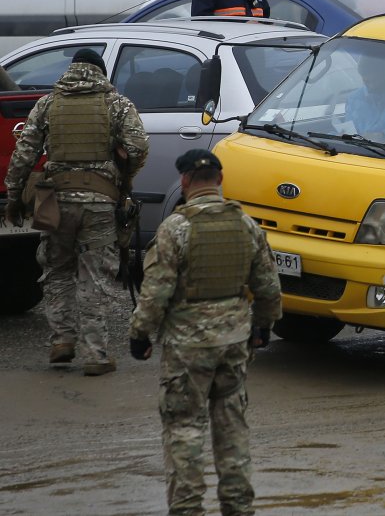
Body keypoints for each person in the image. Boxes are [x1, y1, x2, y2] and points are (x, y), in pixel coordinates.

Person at [128, 149, 282, 516]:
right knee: (232, 427)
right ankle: (238, 506)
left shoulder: (175, 229)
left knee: (184, 427)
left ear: (184, 182)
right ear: (220, 179)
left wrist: (140, 333)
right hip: (234, 342)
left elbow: (156, 290)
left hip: (187, 347)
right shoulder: (245, 225)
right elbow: (268, 287)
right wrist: (263, 326)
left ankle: (187, 508)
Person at [4, 49, 148, 375]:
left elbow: (24, 153)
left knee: (56, 269)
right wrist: (123, 176)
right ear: (100, 72)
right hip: (99, 200)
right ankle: (95, 354)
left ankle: (61, 342)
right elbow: (138, 147)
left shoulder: (47, 104)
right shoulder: (117, 104)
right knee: (95, 275)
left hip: (52, 199)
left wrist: (14, 196)